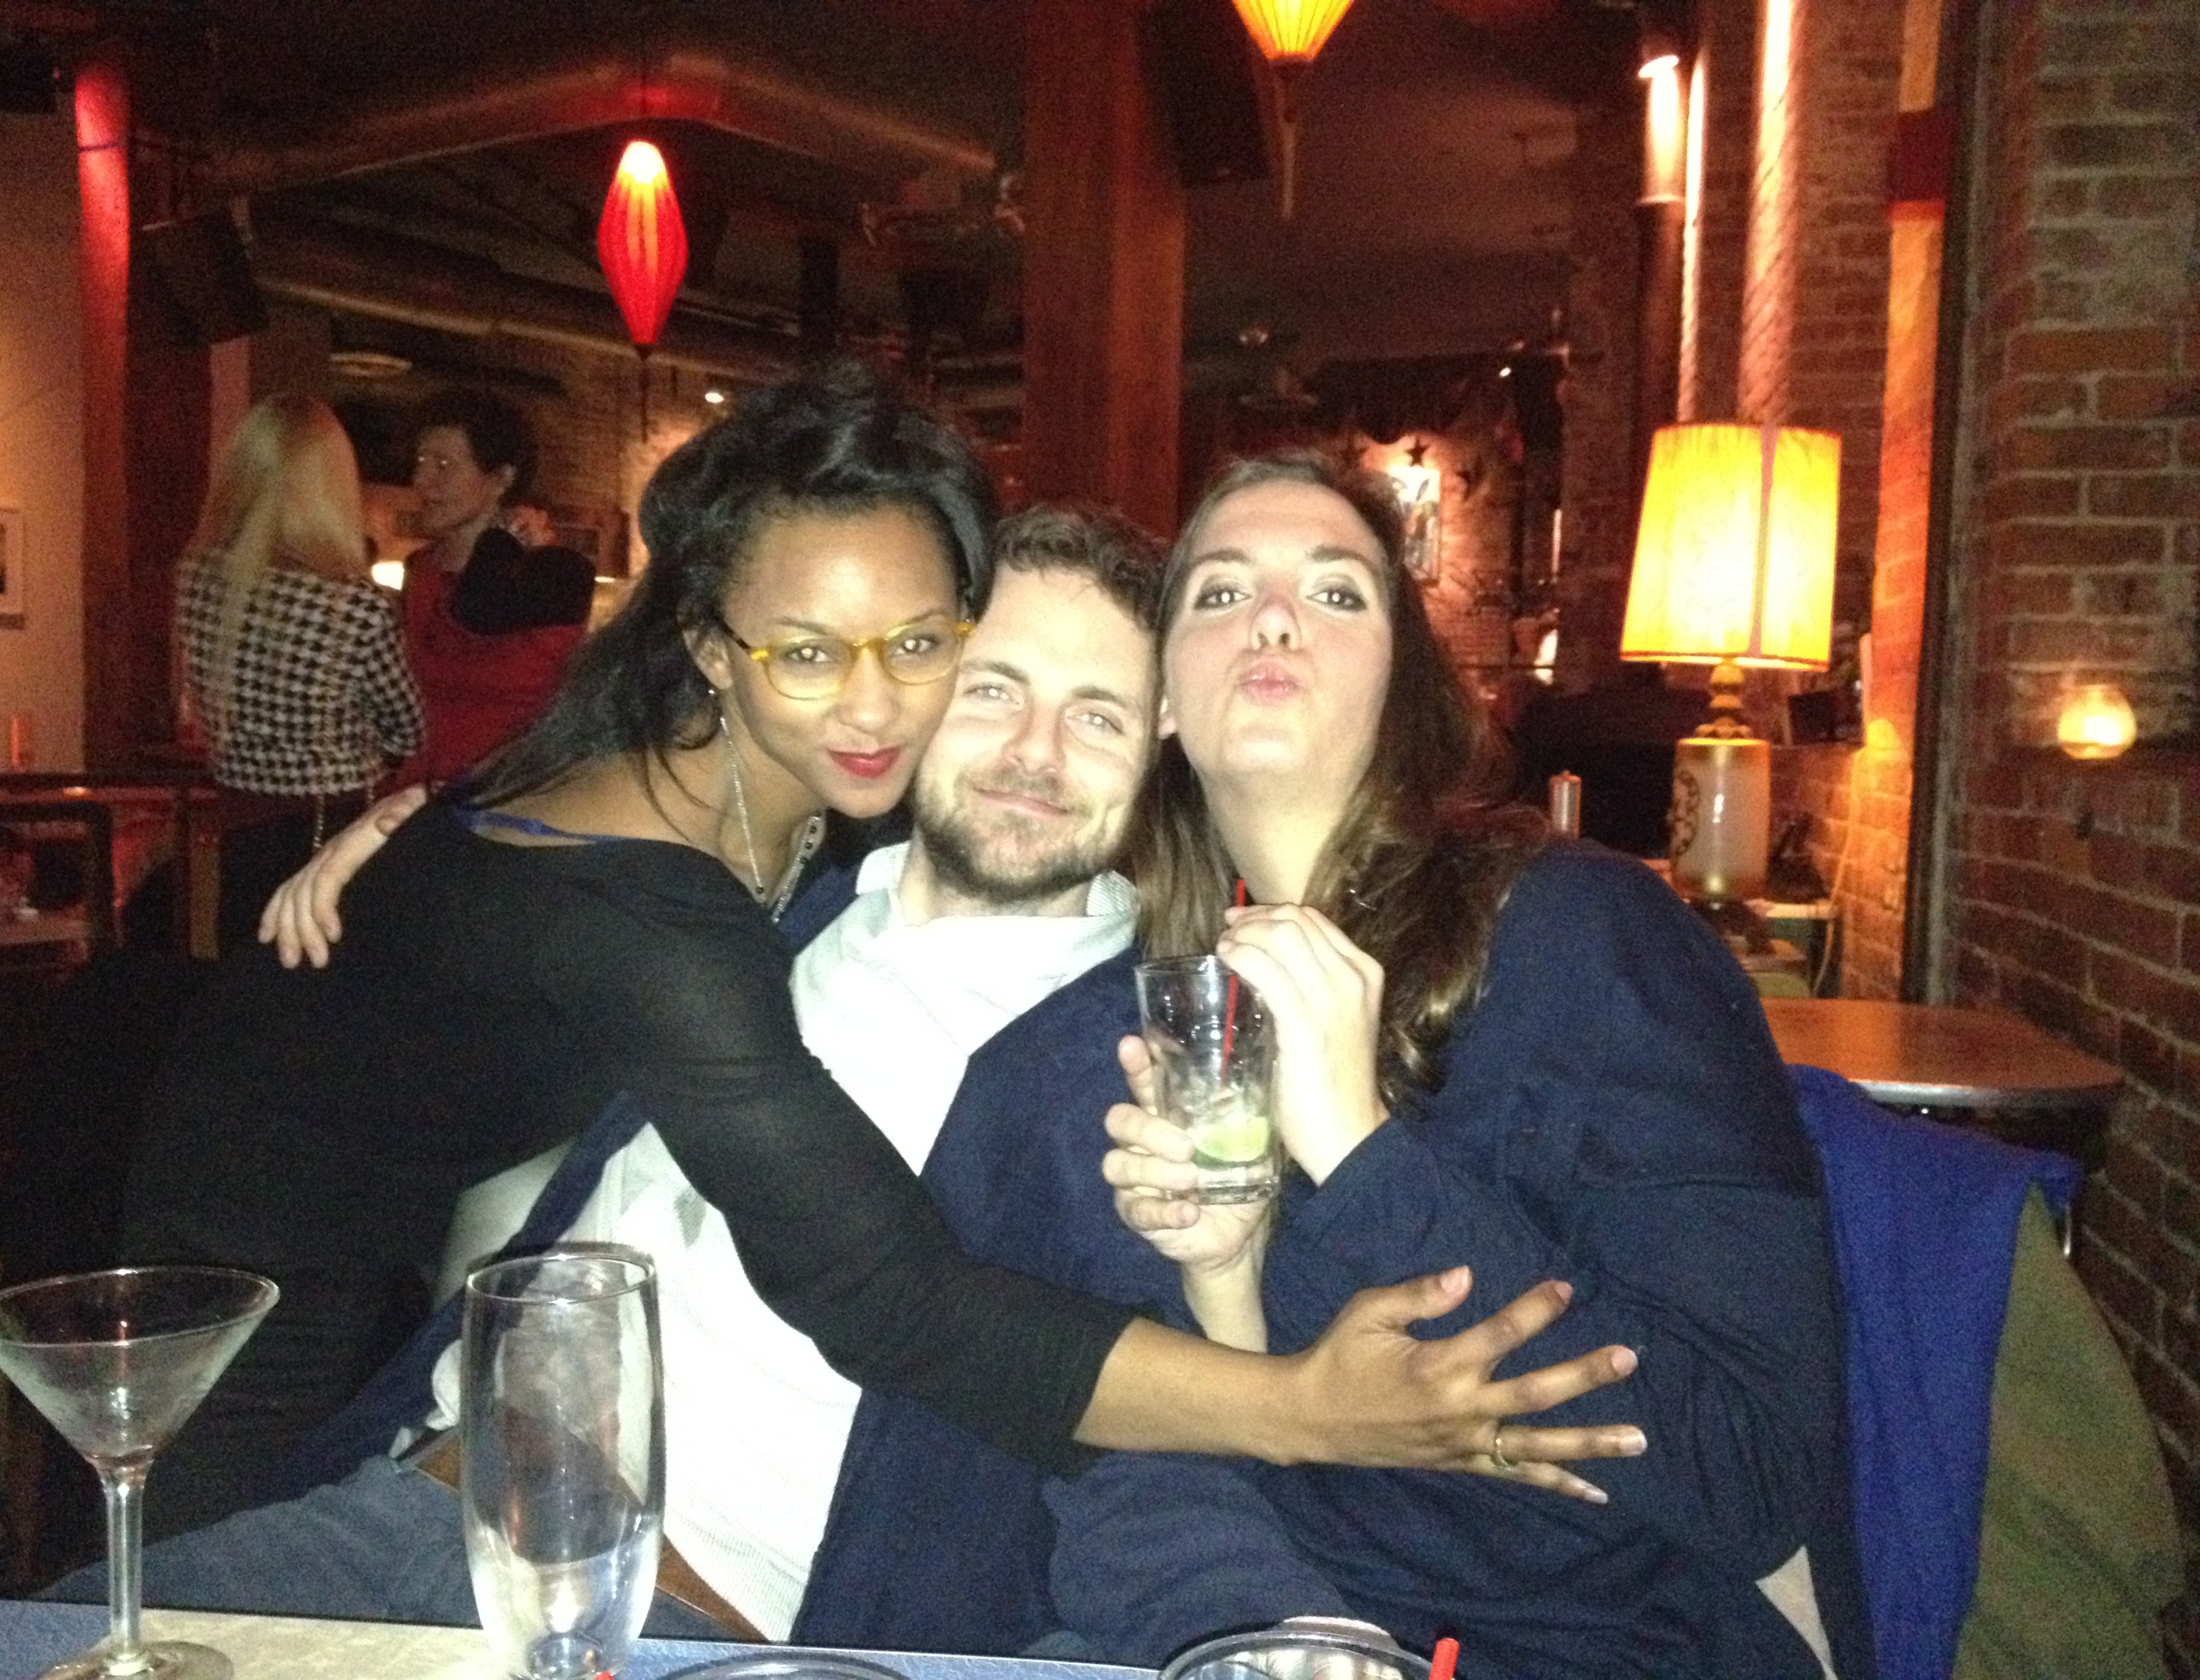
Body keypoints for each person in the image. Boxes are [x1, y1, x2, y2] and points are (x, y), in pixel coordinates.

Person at [117, 370, 1623, 1546]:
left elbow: (961, 1316)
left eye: (917, 650)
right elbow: (877, 1283)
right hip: (261, 1281)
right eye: (989, 686)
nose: (876, 708)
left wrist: (1293, 1382)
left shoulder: (1084, 993)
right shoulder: (718, 905)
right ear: (715, 651)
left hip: (531, 1484)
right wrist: (413, 844)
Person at [796, 454, 1873, 1679]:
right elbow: (1118, 1464)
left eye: (1334, 592)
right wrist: (1273, 1608)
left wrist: (1358, 1148)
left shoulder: (1582, 934)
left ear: (1400, 678)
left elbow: (1751, 1471)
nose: (1270, 619)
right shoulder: (1125, 1025)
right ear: (1166, 700)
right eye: (1219, 592)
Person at [171, 393, 423, 955]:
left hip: (239, 818)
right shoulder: (354, 604)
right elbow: (408, 731)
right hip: (331, 825)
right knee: (321, 974)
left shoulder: (198, 580)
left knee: (247, 962)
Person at [400, 388, 596, 784]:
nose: (422, 481)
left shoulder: (547, 575)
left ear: (502, 479)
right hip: (410, 798)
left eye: (444, 465)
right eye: (420, 462)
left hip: (506, 793)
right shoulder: (421, 569)